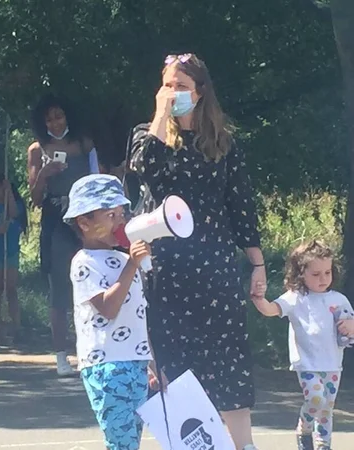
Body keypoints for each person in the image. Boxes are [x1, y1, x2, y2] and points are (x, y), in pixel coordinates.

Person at [127, 53, 265, 450]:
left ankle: (244, 445)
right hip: (165, 268)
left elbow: (241, 205)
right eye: (167, 85)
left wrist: (256, 263)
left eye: (181, 87)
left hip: (215, 267)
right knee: (174, 362)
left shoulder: (222, 141)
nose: (172, 94)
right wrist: (159, 116)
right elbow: (142, 169)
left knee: (228, 361)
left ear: (200, 92)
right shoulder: (146, 134)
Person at [63, 174, 162, 449]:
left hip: (136, 362)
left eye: (121, 213)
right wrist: (131, 265)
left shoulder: (122, 257)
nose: (120, 221)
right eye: (110, 215)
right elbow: (108, 308)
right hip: (106, 365)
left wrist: (153, 363)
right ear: (84, 222)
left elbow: (138, 316)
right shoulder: (84, 262)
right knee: (121, 442)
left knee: (130, 440)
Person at [251, 240, 354, 450]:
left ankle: (323, 444)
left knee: (327, 407)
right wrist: (259, 298)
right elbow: (271, 310)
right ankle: (304, 428)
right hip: (306, 363)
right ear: (301, 274)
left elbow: (350, 327)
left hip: (333, 363)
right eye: (316, 274)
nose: (323, 278)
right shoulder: (296, 298)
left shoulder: (339, 299)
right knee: (316, 399)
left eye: (327, 272)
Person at [27, 94, 100, 376]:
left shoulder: (84, 144)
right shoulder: (37, 149)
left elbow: (96, 180)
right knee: (59, 285)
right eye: (49, 119)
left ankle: (89, 348)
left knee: (92, 281)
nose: (55, 123)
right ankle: (61, 354)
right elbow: (34, 197)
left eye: (59, 116)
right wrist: (44, 174)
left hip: (86, 218)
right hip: (56, 218)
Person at [0, 173, 27, 342]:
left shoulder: (13, 206)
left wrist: (8, 192)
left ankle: (16, 324)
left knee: (11, 289)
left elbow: (15, 214)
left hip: (11, 252)